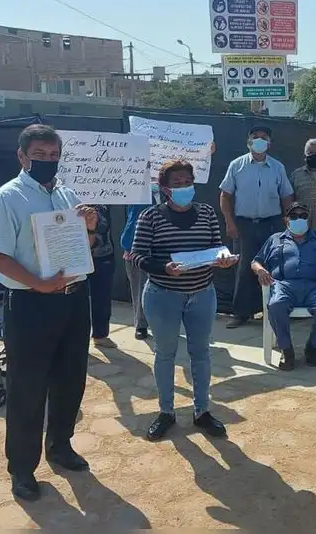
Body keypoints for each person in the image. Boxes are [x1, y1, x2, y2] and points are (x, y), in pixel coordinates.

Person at [0, 124, 99, 502]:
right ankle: (22, 468)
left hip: (73, 299)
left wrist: (90, 229)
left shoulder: (67, 193)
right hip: (30, 303)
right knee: (28, 388)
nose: (48, 161)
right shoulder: (8, 197)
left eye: (54, 155)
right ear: (22, 156)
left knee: (71, 379)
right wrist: (38, 283)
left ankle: (60, 446)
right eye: (40, 155)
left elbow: (84, 246)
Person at [131, 159, 238, 441]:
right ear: (165, 189)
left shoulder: (207, 213)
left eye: (187, 182)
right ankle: (166, 412)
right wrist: (163, 267)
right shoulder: (150, 217)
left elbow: (215, 248)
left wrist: (223, 259)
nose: (183, 188)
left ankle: (202, 411)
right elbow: (137, 256)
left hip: (202, 294)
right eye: (176, 184)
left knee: (201, 353)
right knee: (165, 354)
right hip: (163, 296)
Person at [252, 202, 316, 370]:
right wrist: (260, 270)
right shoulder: (275, 239)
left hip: (315, 286)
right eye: (294, 216)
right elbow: (256, 261)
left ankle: (313, 347)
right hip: (284, 286)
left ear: (308, 219)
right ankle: (286, 349)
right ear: (286, 220)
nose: (298, 219)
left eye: (303, 216)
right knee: (276, 304)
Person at [219, 125, 294, 328]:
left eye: (264, 137)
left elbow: (286, 196)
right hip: (244, 224)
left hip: (272, 224)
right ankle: (241, 313)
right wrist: (229, 222)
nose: (260, 140)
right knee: (244, 269)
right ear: (248, 141)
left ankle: (275, 311)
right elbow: (225, 195)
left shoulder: (277, 167)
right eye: (256, 137)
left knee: (275, 267)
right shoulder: (237, 165)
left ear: (269, 143)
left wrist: (288, 221)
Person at [120, 184, 160, 341]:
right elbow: (132, 219)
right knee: (139, 288)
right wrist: (128, 246)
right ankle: (141, 325)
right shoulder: (137, 190)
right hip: (138, 246)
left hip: (165, 246)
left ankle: (164, 324)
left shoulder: (176, 190)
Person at [87, 205, 116, 349]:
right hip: (78, 256)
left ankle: (100, 334)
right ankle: (77, 337)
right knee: (77, 301)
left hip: (104, 255)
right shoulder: (69, 199)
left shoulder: (105, 203)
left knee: (103, 298)